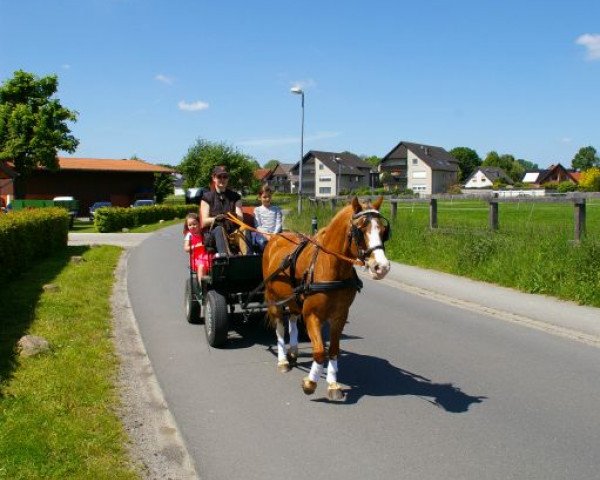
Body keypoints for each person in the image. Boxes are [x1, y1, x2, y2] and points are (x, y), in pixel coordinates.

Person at [200, 165, 249, 255]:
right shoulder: (206, 197)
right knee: (219, 230)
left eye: (225, 177)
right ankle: (226, 258)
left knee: (245, 229)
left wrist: (231, 216)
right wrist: (217, 218)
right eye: (219, 176)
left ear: (228, 179)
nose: (222, 179)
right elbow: (204, 221)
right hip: (215, 233)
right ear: (214, 178)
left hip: (233, 232)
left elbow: (240, 218)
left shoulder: (235, 197)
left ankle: (248, 258)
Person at [252, 185, 282, 252]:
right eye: (265, 197)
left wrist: (274, 234)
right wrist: (266, 235)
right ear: (260, 197)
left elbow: (278, 223)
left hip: (275, 233)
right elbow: (258, 226)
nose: (267, 199)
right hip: (262, 234)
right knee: (263, 243)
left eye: (269, 196)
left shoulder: (276, 209)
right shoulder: (257, 210)